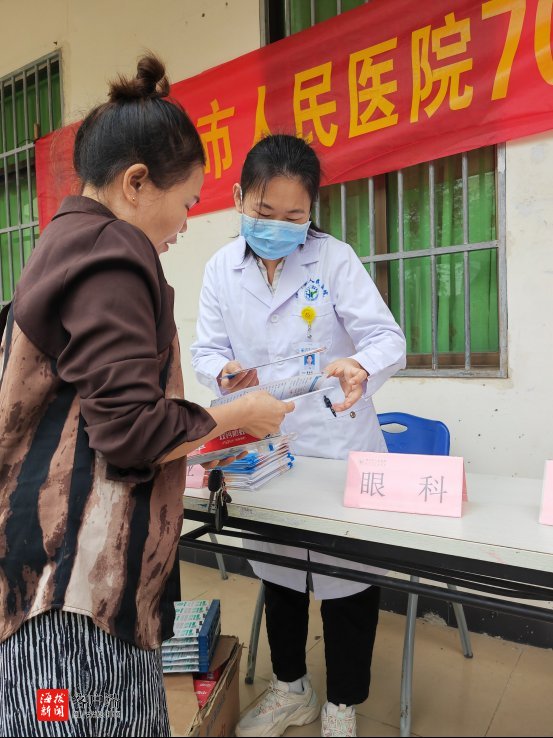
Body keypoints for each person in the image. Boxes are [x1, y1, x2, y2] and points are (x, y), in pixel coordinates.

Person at [0, 56, 292, 738]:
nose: (186, 223)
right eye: (187, 202)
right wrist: (237, 415)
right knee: (86, 720)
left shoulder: (66, 241)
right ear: (135, 183)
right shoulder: (113, 255)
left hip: (48, 581)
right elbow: (131, 431)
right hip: (75, 600)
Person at [191, 134, 407, 738]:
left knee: (348, 581)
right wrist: (222, 372)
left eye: (295, 216)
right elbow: (207, 350)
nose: (279, 227)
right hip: (267, 447)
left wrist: (360, 365)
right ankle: (292, 689)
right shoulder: (220, 269)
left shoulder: (333, 259)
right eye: (265, 212)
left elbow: (386, 338)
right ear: (239, 198)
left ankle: (342, 704)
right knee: (279, 570)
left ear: (311, 211)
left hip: (338, 440)